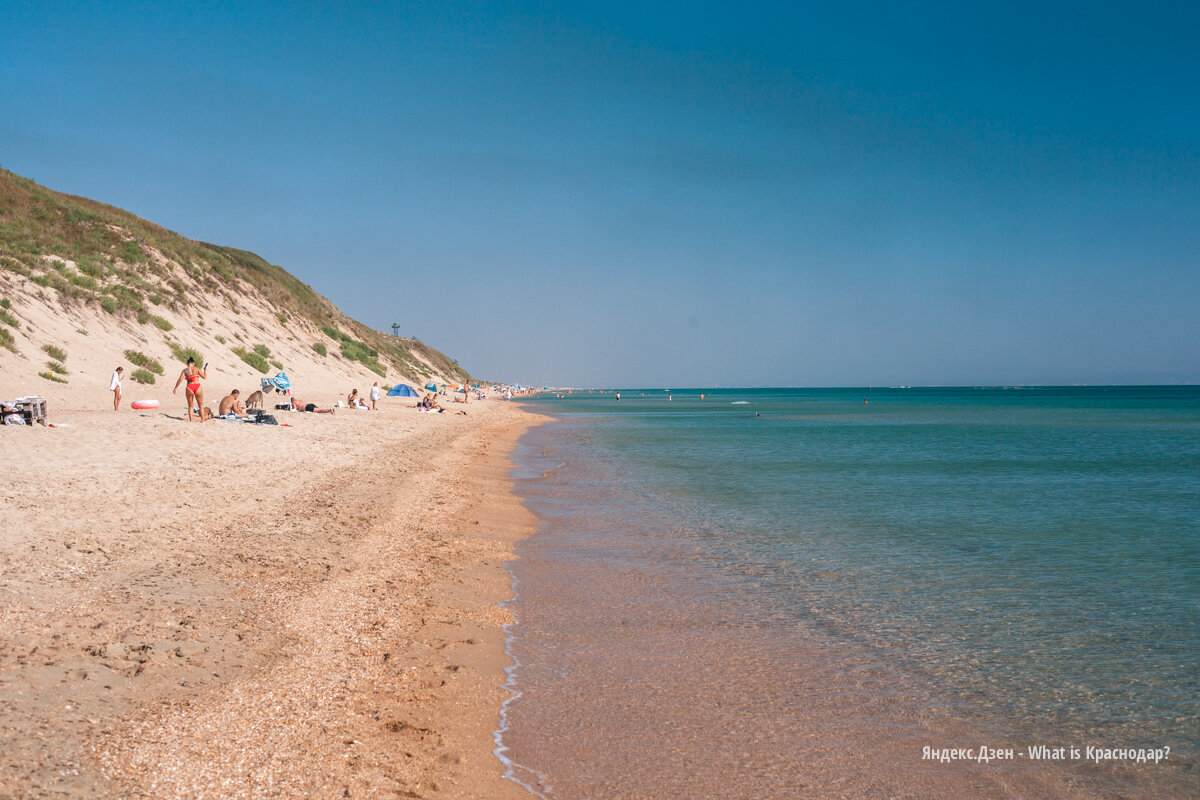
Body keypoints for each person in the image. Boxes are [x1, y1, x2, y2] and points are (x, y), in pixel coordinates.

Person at [173, 358, 207, 422]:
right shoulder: (196, 369)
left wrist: (175, 387)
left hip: (189, 387)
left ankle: (191, 420)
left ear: (187, 363)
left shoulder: (184, 370)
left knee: (190, 406)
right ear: (193, 363)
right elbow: (204, 377)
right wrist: (205, 371)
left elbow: (180, 379)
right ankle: (203, 420)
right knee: (201, 406)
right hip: (197, 386)